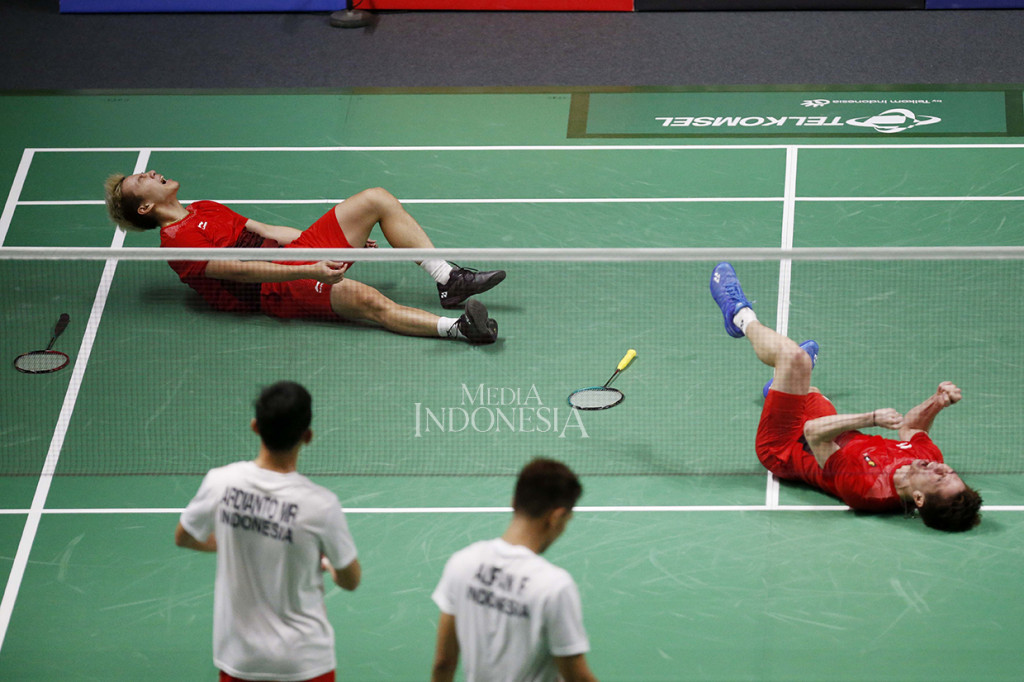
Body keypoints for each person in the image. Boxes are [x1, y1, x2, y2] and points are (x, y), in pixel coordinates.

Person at [709, 261, 982, 532]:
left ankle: (739, 316)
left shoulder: (865, 488)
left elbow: (813, 432)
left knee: (794, 359)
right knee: (808, 388)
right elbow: (912, 429)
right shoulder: (929, 458)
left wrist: (871, 418)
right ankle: (780, 387)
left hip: (786, 447)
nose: (940, 468)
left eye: (939, 479)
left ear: (919, 499)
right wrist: (937, 402)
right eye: (950, 472)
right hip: (832, 430)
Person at [104, 170, 504, 344]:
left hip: (294, 256)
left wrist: (321, 247)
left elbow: (268, 231)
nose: (151, 173)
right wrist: (312, 268)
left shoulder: (204, 208)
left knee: (376, 199)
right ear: (145, 208)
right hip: (272, 290)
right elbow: (239, 272)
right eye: (142, 179)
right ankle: (460, 329)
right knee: (368, 302)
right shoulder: (177, 242)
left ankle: (449, 280)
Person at [175, 381, 361, 682]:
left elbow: (185, 536)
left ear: (255, 426)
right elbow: (351, 580)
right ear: (308, 436)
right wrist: (328, 565)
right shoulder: (321, 505)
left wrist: (232, 540)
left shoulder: (220, 482)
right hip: (305, 664)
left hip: (240, 661)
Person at [430, 458, 598, 682]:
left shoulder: (462, 563)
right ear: (556, 517)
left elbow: (443, 662)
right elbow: (576, 677)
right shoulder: (554, 586)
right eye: (567, 520)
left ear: (513, 503)